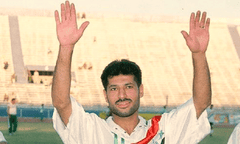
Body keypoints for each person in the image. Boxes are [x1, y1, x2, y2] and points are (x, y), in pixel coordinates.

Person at [52, 1, 211, 144]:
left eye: (128, 86)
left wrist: (198, 55)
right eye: (114, 89)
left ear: (140, 90)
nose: (122, 95)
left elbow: (201, 103)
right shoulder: (92, 131)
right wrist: (66, 47)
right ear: (105, 95)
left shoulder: (163, 130)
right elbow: (61, 103)